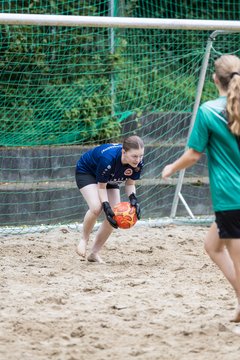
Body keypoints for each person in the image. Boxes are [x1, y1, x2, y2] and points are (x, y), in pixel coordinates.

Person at [162, 54, 240, 322]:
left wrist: (171, 168)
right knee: (212, 245)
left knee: (236, 259)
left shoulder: (209, 111)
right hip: (232, 201)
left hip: (232, 197)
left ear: (215, 79)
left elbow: (194, 154)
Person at [75, 135, 144, 263]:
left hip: (111, 177)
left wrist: (134, 200)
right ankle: (84, 239)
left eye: (140, 156)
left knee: (115, 215)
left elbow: (130, 184)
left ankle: (94, 254)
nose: (138, 160)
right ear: (124, 152)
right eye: (134, 156)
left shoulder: (138, 163)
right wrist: (106, 205)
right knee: (97, 207)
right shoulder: (108, 159)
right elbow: (101, 187)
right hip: (88, 172)